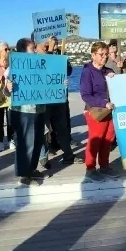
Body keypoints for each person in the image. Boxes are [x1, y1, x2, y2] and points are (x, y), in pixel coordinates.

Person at [4, 38, 47, 185]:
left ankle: (32, 169)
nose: (36, 50)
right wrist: (7, 89)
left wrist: (60, 84)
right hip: (23, 111)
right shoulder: (14, 67)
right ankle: (23, 174)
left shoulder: (40, 66)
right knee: (26, 143)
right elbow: (6, 91)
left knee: (38, 140)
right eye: (32, 48)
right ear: (23, 51)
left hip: (39, 109)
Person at [80, 42, 120, 181]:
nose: (104, 57)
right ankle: (90, 169)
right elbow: (85, 95)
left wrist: (113, 75)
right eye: (101, 54)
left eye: (106, 54)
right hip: (95, 111)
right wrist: (104, 103)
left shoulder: (107, 70)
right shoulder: (87, 71)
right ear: (93, 55)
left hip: (109, 110)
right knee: (95, 140)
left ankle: (104, 166)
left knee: (108, 139)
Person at [40, 35, 78, 166]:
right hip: (43, 98)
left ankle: (68, 155)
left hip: (58, 97)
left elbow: (68, 71)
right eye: (51, 41)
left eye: (55, 41)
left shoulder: (59, 54)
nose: (53, 43)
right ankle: (44, 155)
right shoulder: (36, 55)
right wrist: (50, 50)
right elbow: (45, 69)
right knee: (43, 128)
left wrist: (62, 56)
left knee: (62, 127)